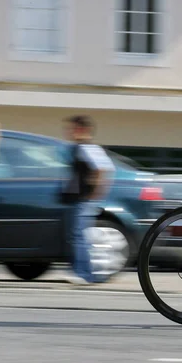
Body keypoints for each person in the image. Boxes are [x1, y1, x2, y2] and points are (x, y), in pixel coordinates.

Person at [61, 115, 115, 285]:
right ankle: (82, 270)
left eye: (73, 128)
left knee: (80, 235)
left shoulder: (88, 148)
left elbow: (103, 170)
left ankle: (84, 273)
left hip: (85, 199)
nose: (69, 132)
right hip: (80, 199)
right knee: (78, 234)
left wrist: (95, 194)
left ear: (82, 129)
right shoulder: (78, 148)